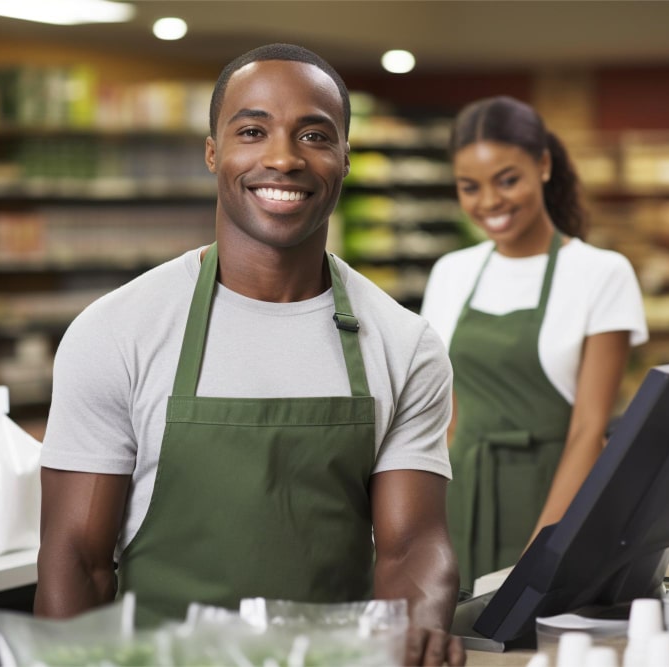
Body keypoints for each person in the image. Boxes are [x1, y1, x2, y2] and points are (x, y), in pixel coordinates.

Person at [34, 43, 465, 666]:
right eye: (253, 131)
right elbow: (77, 560)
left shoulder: (404, 343)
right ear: (214, 152)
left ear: (345, 156)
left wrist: (415, 634)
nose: (284, 158)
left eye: (314, 135)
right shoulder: (117, 331)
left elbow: (413, 547)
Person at [420, 96, 648, 591]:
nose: (489, 202)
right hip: (463, 499)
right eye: (469, 187)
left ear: (543, 165)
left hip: (557, 500)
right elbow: (449, 418)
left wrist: (539, 556)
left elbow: (589, 430)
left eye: (507, 179)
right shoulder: (451, 273)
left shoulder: (601, 274)